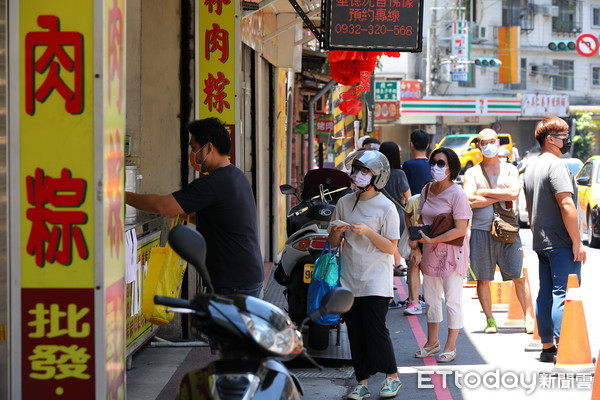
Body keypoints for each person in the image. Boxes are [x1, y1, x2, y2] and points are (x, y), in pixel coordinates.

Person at [125, 117, 264, 297]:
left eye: (193, 148)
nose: (193, 154)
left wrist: (120, 195)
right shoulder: (235, 176)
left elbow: (161, 206)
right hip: (244, 277)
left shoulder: (214, 183)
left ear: (208, 148)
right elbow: (213, 220)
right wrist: (181, 214)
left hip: (234, 284)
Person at [328, 150, 402, 399]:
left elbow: (391, 248)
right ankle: (362, 382)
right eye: (356, 170)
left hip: (375, 279)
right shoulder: (344, 203)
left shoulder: (386, 207)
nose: (358, 175)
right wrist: (337, 231)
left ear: (377, 176)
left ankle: (392, 377)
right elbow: (332, 242)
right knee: (355, 333)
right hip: (350, 279)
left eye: (364, 171)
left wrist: (368, 232)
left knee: (375, 330)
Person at [523, 116, 586, 362]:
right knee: (566, 293)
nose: (566, 140)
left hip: (541, 241)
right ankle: (568, 344)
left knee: (546, 293)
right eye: (563, 136)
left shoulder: (531, 167)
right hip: (560, 241)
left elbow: (529, 209)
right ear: (550, 140)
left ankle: (548, 347)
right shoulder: (556, 166)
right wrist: (577, 242)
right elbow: (567, 205)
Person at [463, 129, 535, 334]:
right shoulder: (471, 172)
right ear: (478, 145)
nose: (488, 145)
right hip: (479, 230)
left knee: (518, 275)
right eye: (483, 142)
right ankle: (490, 320)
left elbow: (514, 192)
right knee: (482, 278)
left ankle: (529, 317)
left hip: (508, 229)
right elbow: (469, 200)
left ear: (498, 142)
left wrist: (484, 193)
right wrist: (500, 196)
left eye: (491, 141)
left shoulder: (510, 169)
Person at [412, 147, 472, 363]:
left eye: (441, 164)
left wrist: (433, 240)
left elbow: (460, 230)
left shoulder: (457, 194)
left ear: (451, 168)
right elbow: (421, 220)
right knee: (431, 299)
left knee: (452, 301)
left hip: (452, 253)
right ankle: (432, 342)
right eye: (434, 162)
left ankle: (450, 345)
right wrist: (417, 246)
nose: (435, 167)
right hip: (429, 251)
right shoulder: (427, 189)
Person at [379, 141, 411, 277]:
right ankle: (397, 264)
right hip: (397, 213)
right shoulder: (399, 174)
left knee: (382, 243)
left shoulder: (377, 173)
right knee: (395, 241)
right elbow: (408, 197)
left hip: (379, 212)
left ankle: (389, 266)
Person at [402, 129, 433, 196]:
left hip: (414, 204)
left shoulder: (407, 165)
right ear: (427, 145)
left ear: (411, 145)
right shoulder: (433, 165)